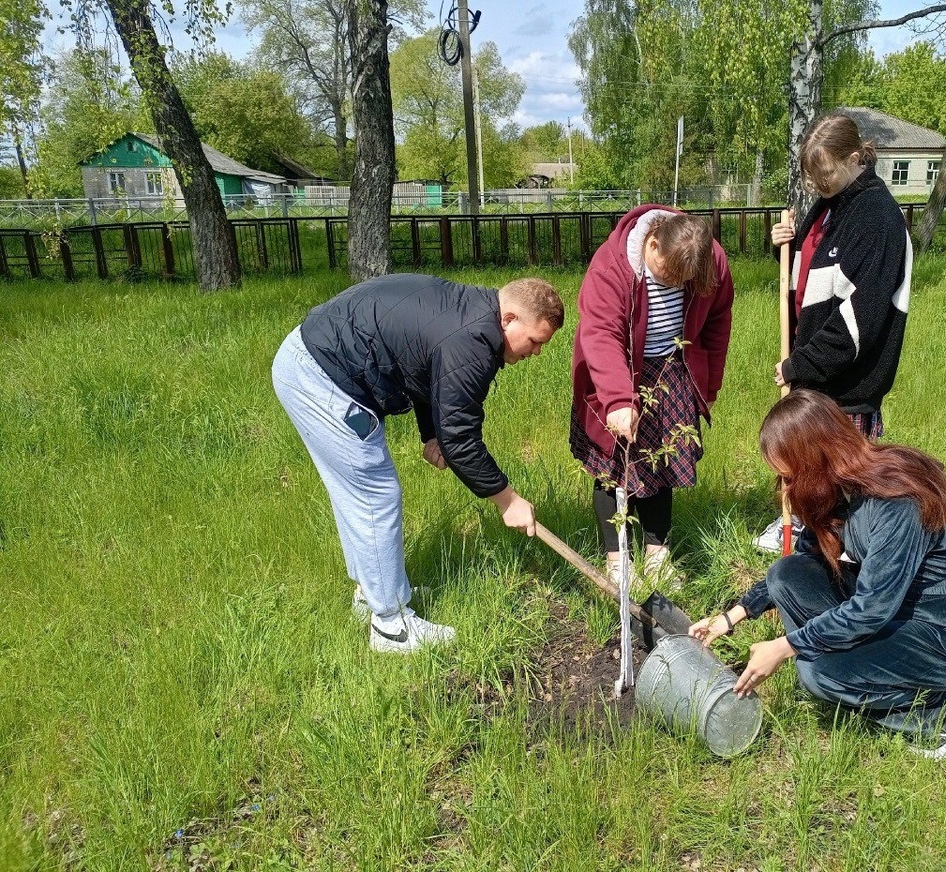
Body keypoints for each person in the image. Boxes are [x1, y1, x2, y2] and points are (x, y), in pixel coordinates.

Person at [272, 274, 565, 653]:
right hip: (320, 375)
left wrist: (432, 434)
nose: (537, 352)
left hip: (310, 356)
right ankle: (391, 627)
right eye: (536, 341)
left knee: (359, 492)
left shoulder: (471, 314)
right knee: (374, 493)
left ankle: (374, 592)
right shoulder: (472, 341)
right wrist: (507, 501)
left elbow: (427, 367)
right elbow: (461, 438)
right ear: (508, 319)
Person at [695, 390, 946, 760]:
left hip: (945, 635)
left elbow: (871, 609)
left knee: (818, 674)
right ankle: (861, 669)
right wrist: (731, 616)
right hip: (897, 616)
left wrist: (785, 647)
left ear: (817, 460)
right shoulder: (840, 489)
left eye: (790, 477)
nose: (786, 490)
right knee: (787, 574)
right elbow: (803, 559)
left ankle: (939, 708)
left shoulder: (895, 502)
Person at [754, 113, 912, 553]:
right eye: (812, 176)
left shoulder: (878, 218)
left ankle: (859, 550)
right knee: (814, 465)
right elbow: (809, 279)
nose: (818, 183)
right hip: (818, 371)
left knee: (847, 473)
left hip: (848, 378)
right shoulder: (831, 203)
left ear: (855, 157)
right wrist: (785, 246)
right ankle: (809, 529)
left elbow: (859, 320)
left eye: (825, 173)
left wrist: (799, 364)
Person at [570, 206, 734, 587]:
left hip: (672, 370)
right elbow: (600, 333)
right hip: (617, 369)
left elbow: (717, 323)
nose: (676, 285)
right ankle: (618, 560)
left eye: (684, 281)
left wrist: (708, 386)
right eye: (668, 276)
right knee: (613, 467)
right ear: (653, 243)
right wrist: (617, 400)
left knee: (661, 468)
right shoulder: (611, 267)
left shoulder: (710, 259)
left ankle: (657, 556)